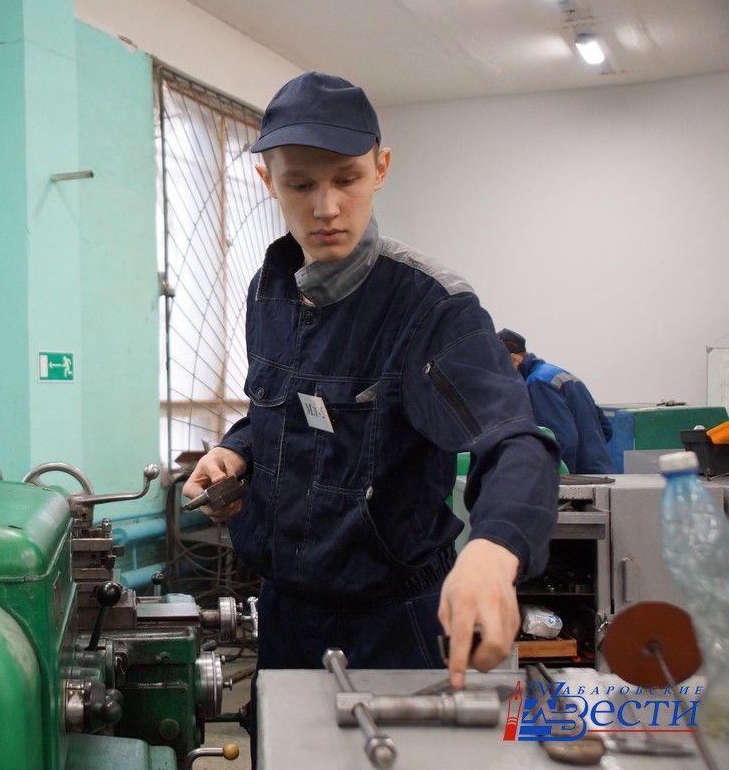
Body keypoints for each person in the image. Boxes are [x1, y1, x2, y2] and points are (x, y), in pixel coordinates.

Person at [182, 73, 559, 696]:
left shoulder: (431, 308)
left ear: (380, 169)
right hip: (285, 615)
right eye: (300, 184)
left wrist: (495, 548)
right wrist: (236, 450)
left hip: (396, 624)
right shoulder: (269, 292)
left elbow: (515, 440)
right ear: (267, 181)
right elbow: (279, 410)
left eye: (347, 179)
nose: (326, 207)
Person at [497, 329, 616, 474]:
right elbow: (605, 428)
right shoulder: (561, 375)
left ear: (514, 360)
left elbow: (562, 441)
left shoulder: (537, 383)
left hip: (578, 480)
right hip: (601, 473)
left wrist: (554, 480)